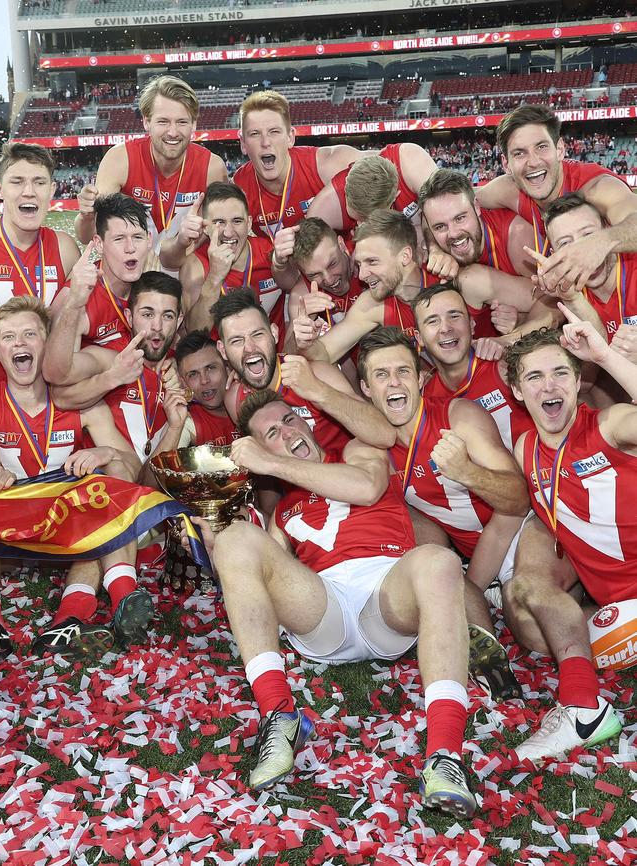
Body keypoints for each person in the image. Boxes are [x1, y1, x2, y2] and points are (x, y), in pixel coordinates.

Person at [194, 388, 476, 818]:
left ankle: (444, 756)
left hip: (387, 595)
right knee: (235, 538)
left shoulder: (359, 451)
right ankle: (279, 716)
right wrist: (215, 542)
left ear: (305, 420)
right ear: (259, 449)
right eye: (270, 433)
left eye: (288, 420)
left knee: (439, 561)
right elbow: (257, 584)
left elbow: (364, 488)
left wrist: (269, 461)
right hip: (324, 608)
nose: (286, 433)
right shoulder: (283, 510)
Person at [358, 326, 528, 699]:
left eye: (403, 371)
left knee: (531, 624)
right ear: (366, 389)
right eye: (381, 375)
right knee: (410, 538)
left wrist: (468, 472)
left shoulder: (458, 415)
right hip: (469, 553)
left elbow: (519, 499)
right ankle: (492, 670)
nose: (393, 383)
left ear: (421, 378)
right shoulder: (370, 447)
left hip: (524, 534)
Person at [502, 319, 637, 763]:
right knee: (520, 598)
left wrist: (604, 357)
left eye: (560, 372)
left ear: (579, 382)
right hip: (614, 611)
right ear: (518, 392)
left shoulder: (611, 425)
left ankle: (581, 694)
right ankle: (584, 703)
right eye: (534, 377)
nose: (549, 386)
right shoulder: (525, 450)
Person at [0, 296, 153, 657]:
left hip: (66, 533)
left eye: (30, 334)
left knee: (113, 480)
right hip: (7, 536)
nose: (20, 344)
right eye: (9, 337)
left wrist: (103, 452)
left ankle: (77, 617)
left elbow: (132, 472)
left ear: (47, 346)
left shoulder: (80, 401)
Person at [416, 282, 598, 451]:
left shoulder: (504, 363)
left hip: (549, 473)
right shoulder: (425, 397)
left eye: (454, 316)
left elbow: (555, 300)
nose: (446, 328)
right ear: (419, 338)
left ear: (472, 325)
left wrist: (510, 339)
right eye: (432, 321)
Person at [476, 104, 637, 295]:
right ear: (506, 164)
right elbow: (456, 200)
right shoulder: (509, 190)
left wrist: (598, 242)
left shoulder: (595, 188)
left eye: (541, 147)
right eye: (519, 153)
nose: (533, 162)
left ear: (560, 149)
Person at [210, 288, 395, 452]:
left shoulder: (316, 372)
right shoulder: (235, 400)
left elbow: (384, 435)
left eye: (257, 334)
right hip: (298, 490)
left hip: (347, 483)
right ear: (222, 350)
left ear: (274, 333)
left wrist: (318, 391)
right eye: (236, 341)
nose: (250, 348)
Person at [44, 272, 186, 469]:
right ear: (129, 316)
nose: (157, 326)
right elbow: (60, 394)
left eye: (167, 316)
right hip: (113, 487)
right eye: (147, 314)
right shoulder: (111, 356)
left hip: (153, 485)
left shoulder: (181, 368)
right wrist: (112, 378)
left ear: (178, 320)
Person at [75, 75, 227, 253]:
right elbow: (86, 236)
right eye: (163, 121)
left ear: (194, 124)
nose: (173, 132)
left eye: (182, 122)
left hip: (184, 263)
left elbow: (223, 233)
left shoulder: (212, 167)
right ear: (146, 122)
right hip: (132, 263)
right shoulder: (120, 160)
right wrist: (87, 215)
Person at [159, 182, 305, 338]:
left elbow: (297, 285)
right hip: (220, 359)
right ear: (206, 227)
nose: (228, 232)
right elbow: (195, 331)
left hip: (271, 356)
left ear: (248, 223)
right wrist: (214, 279)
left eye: (237, 221)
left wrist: (282, 264)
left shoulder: (270, 253)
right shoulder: (195, 265)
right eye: (219, 222)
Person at [0, 143, 80, 382]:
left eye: (39, 182)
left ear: (52, 189)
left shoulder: (65, 248)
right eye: (17, 181)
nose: (29, 191)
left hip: (49, 395)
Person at [293, 210, 428, 363]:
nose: (362, 275)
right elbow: (323, 354)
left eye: (372, 261)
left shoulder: (444, 278)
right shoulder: (372, 303)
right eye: (359, 264)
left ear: (405, 256)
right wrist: (306, 343)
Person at [232, 90, 366, 241]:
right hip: (281, 262)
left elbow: (382, 167)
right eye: (255, 134)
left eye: (274, 132)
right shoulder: (239, 189)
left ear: (290, 137)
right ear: (243, 143)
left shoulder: (329, 164)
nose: (265, 142)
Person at [418, 169, 537, 337]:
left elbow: (553, 302)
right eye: (440, 227)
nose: (453, 233)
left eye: (460, 218)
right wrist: (434, 248)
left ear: (477, 207)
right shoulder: (433, 256)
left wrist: (521, 322)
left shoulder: (516, 236)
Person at [49, 194, 152, 355]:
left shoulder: (155, 287)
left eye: (138, 237)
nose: (130, 247)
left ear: (149, 240)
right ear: (99, 244)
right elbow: (58, 376)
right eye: (119, 239)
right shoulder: (74, 300)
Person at [542, 192, 637, 355]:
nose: (580, 250)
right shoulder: (567, 292)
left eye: (589, 235)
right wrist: (572, 298)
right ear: (554, 255)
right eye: (565, 243)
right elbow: (602, 354)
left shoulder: (633, 267)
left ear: (606, 231)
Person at [306, 144, 437, 236]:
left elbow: (445, 210)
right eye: (356, 218)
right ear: (345, 190)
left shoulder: (412, 163)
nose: (359, 224)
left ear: (395, 196)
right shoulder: (323, 208)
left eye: (365, 219)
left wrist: (432, 246)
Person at [174, 329, 238, 447]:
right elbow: (160, 464)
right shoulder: (187, 422)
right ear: (183, 383)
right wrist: (175, 428)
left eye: (210, 368)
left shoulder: (251, 400)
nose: (204, 380)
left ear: (228, 368)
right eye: (193, 374)